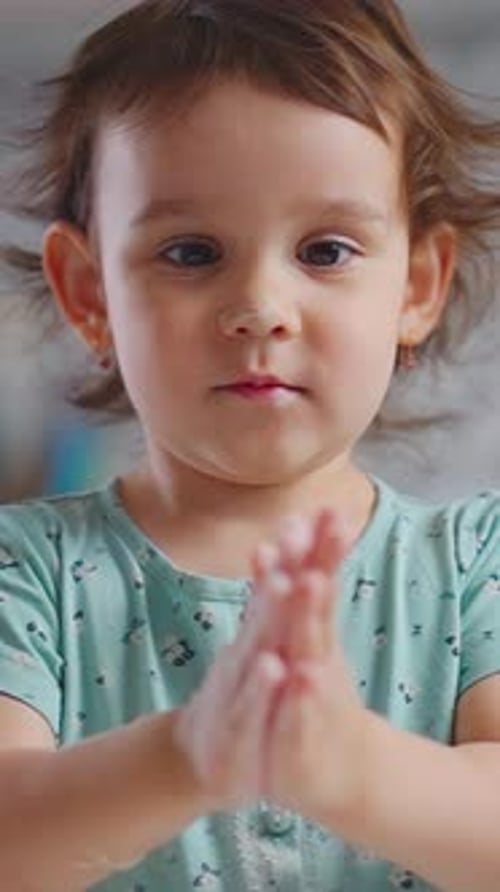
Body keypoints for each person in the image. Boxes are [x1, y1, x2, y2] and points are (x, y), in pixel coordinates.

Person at [0, 1, 500, 889]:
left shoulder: (475, 570)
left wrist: (350, 767)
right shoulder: (25, 573)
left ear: (417, 287)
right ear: (90, 294)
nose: (262, 306)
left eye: (326, 249)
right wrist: (188, 756)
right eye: (192, 253)